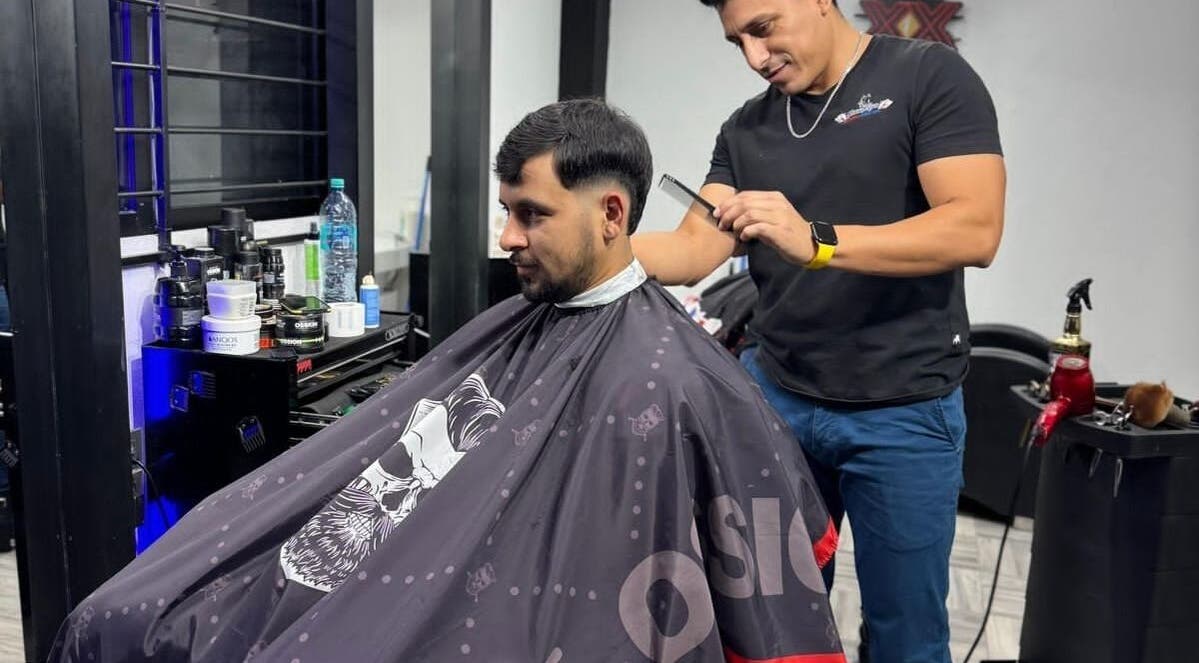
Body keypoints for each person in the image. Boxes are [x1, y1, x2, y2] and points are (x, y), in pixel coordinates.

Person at [51, 99, 845, 662]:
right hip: (390, 559)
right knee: (122, 612)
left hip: (502, 613)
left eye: (530, 214)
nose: (506, 237)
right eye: (506, 210)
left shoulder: (667, 381)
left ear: (610, 213)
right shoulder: (520, 328)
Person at [631, 1, 1005, 661]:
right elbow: (695, 245)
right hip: (776, 401)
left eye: (763, 27)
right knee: (774, 624)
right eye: (735, 41)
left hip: (902, 410)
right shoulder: (746, 128)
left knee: (905, 638)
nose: (753, 57)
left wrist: (817, 241)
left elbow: (973, 227)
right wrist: (591, 250)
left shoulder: (928, 78)